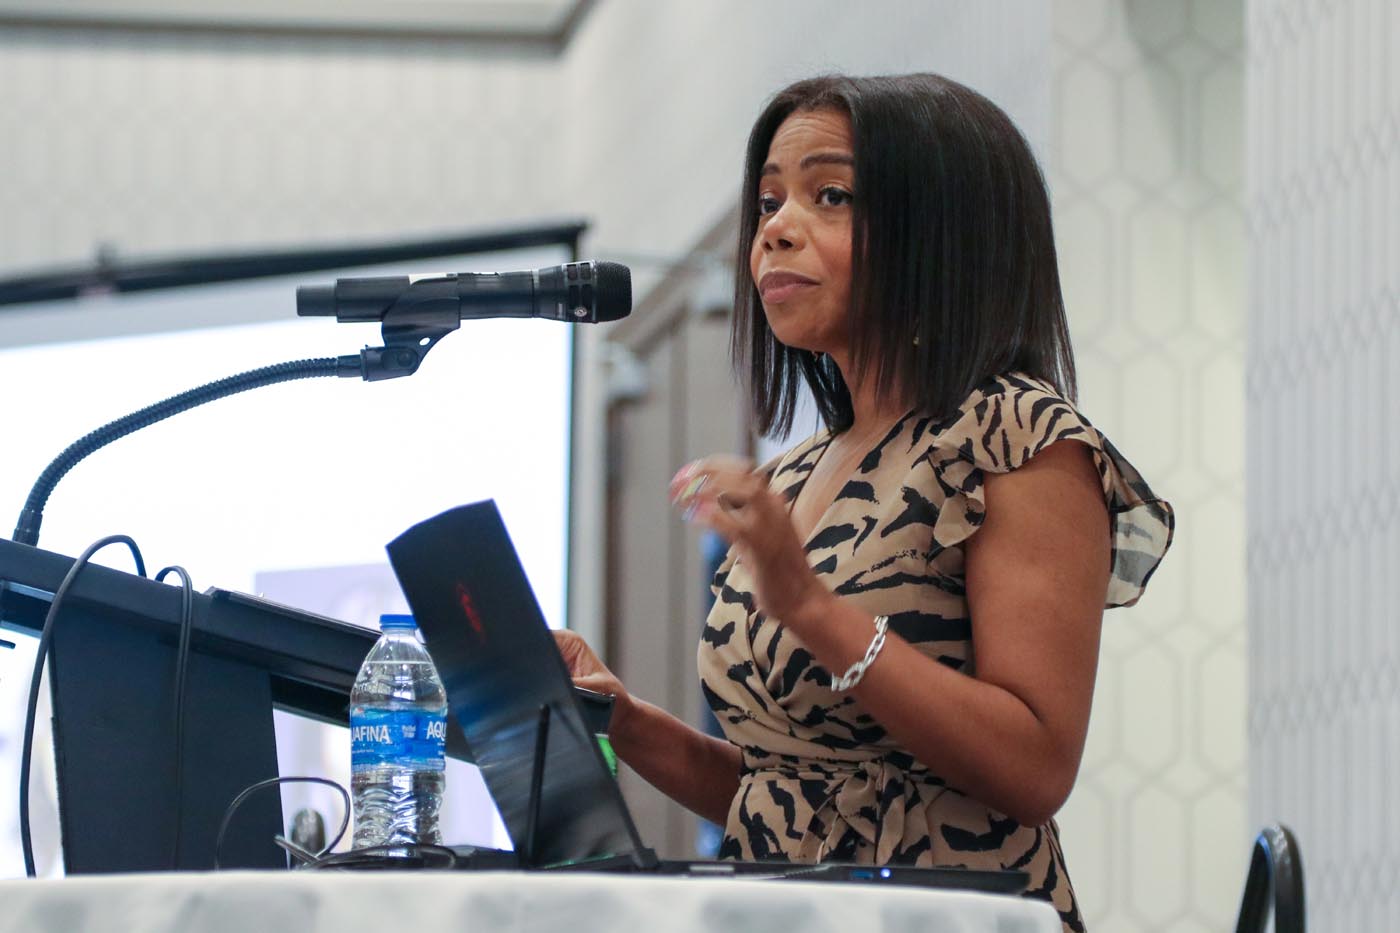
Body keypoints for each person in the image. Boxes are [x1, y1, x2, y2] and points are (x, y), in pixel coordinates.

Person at [555, 73, 1173, 932]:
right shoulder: (798, 473)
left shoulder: (1020, 439)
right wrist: (622, 719)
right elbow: (786, 791)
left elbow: (1035, 766)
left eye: (829, 195)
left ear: (942, 230)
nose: (774, 228)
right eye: (768, 202)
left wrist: (809, 605)